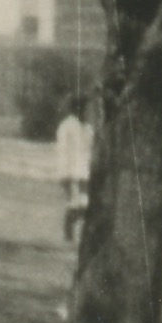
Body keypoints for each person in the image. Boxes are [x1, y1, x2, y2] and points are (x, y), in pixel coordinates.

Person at [55, 94, 94, 242]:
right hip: (72, 171)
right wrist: (65, 172)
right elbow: (63, 151)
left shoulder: (87, 127)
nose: (86, 111)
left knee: (84, 202)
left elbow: (89, 148)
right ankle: (68, 234)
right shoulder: (67, 126)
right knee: (77, 202)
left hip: (84, 170)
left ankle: (74, 234)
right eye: (85, 108)